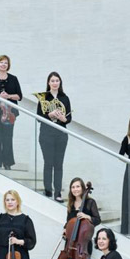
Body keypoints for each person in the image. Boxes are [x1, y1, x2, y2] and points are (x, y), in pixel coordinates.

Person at [37, 72, 72, 201]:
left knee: (58, 164)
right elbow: (38, 117)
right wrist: (50, 115)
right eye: (52, 81)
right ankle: (48, 190)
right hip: (46, 134)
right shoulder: (43, 98)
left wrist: (63, 119)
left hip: (61, 134)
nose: (55, 83)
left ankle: (57, 193)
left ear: (60, 82)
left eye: (57, 80)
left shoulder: (65, 98)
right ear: (48, 83)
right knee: (48, 163)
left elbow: (69, 118)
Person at [0, 55, 23, 170]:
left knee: (8, 137)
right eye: (1, 62)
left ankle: (7, 163)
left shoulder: (13, 79)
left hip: (10, 112)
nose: (3, 64)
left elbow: (19, 96)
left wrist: (8, 96)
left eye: (6, 63)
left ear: (8, 65)